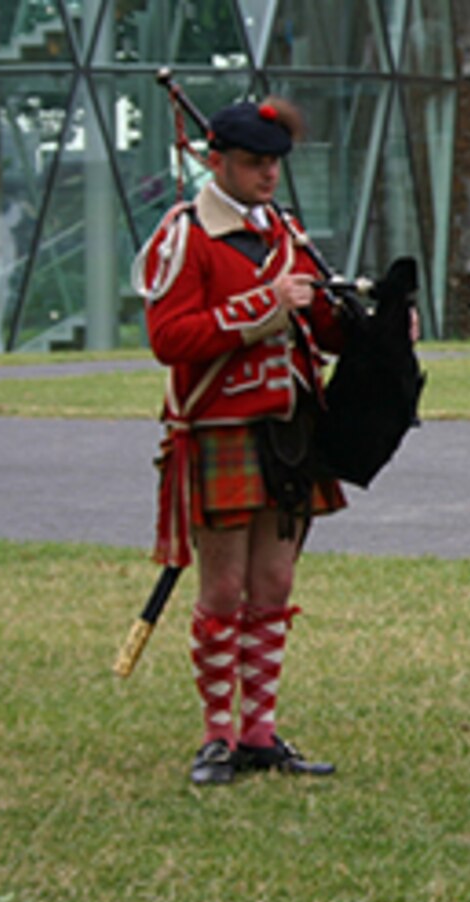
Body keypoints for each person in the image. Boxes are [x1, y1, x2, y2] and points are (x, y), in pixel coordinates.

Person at [135, 98, 343, 786]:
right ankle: (216, 736)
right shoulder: (185, 233)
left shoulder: (285, 229)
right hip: (219, 425)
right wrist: (265, 305)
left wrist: (369, 327)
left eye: (274, 164)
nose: (268, 176)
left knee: (275, 583)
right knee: (222, 588)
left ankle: (259, 732)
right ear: (213, 161)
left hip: (288, 426)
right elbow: (171, 339)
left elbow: (314, 319)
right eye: (254, 163)